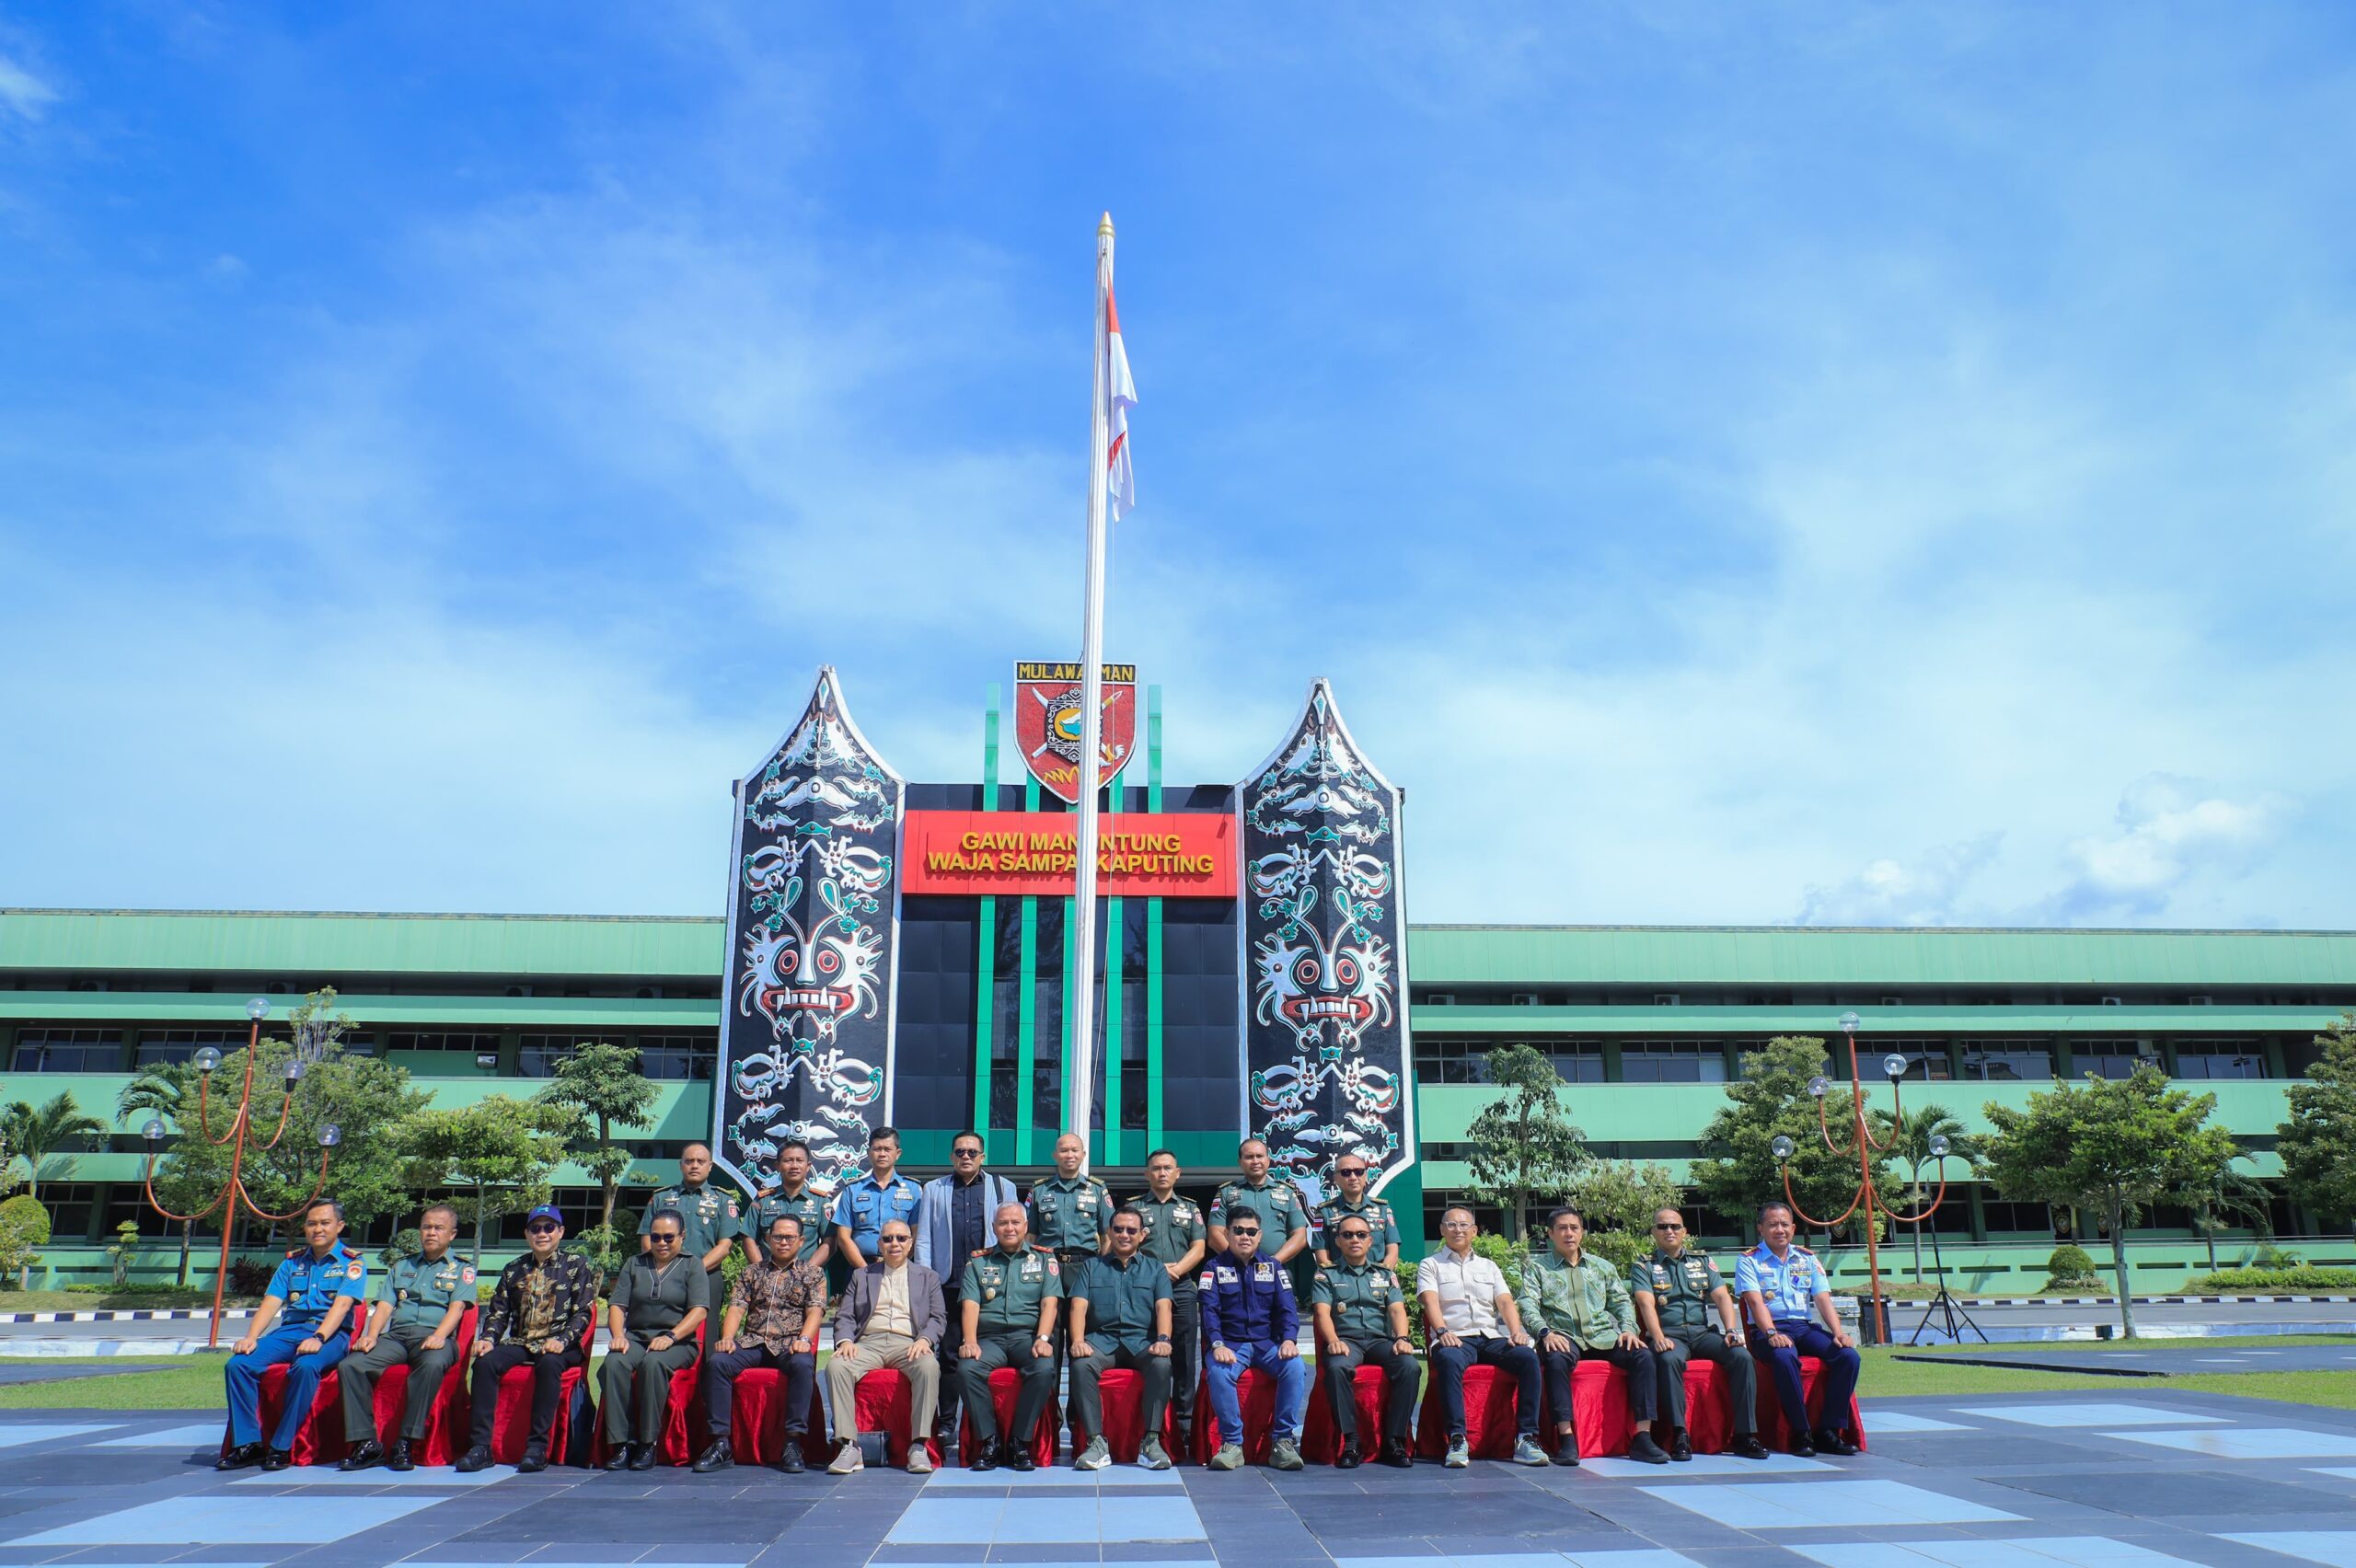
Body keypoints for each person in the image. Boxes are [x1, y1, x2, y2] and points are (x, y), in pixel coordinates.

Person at [220, 1196, 367, 1472]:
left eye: (325, 1223)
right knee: (238, 1364)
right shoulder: (292, 1262)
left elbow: (343, 1304)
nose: (318, 1229)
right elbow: (272, 1301)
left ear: (340, 1226)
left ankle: (281, 1446)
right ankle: (248, 1444)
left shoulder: (352, 1263)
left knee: (306, 1366)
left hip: (331, 1335)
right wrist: (251, 1336)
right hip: (290, 1331)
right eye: (312, 1224)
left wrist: (320, 1338)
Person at [1518, 1206, 1669, 1467]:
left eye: (1574, 1228)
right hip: (1563, 1337)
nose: (1569, 1234)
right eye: (1562, 1229)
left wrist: (1628, 1330)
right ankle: (1566, 1437)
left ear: (1582, 1233)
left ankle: (1643, 1437)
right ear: (1551, 1233)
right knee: (1554, 1360)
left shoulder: (1602, 1267)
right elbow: (1527, 1303)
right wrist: (1545, 1332)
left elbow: (1622, 1301)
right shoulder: (1537, 1269)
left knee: (1643, 1355)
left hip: (1603, 1336)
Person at [456, 1205, 598, 1473]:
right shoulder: (513, 1269)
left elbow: (583, 1312)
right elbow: (498, 1313)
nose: (542, 1234)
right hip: (521, 1342)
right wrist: (488, 1338)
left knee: (549, 1363)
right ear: (527, 1234)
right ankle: (480, 1447)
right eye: (536, 1228)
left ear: (561, 1232)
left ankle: (537, 1448)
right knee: (485, 1364)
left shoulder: (576, 1265)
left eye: (549, 1228)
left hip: (560, 1344)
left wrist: (563, 1340)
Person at [336, 1203, 472, 1471]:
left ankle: (405, 1442)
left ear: (452, 1234)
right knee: (351, 1365)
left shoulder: (461, 1269)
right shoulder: (402, 1266)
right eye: (426, 1227)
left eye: (439, 1228)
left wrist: (440, 1336)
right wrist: (371, 1335)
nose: (431, 1232)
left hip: (435, 1337)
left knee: (432, 1364)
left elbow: (457, 1308)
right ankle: (367, 1443)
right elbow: (385, 1305)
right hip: (397, 1337)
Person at [1631, 1206, 1769, 1462]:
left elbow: (1721, 1296)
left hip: (1702, 1332)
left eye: (1674, 1226)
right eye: (1662, 1227)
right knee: (1669, 1360)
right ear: (1653, 1232)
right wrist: (1658, 1336)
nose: (1669, 1231)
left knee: (1742, 1357)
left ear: (1684, 1231)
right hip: (1669, 1334)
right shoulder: (1644, 1265)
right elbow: (1645, 1304)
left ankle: (1745, 1434)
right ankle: (1679, 1435)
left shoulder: (1702, 1261)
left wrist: (1730, 1330)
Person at [697, 1214, 827, 1474]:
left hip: (790, 1344)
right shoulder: (752, 1272)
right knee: (718, 1362)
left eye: (790, 1237)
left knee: (803, 1364)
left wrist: (804, 1339)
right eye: (777, 1237)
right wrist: (727, 1339)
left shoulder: (812, 1274)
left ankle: (793, 1442)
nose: (783, 1242)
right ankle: (720, 1442)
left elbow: (815, 1311)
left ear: (801, 1241)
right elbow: (736, 1308)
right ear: (767, 1239)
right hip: (753, 1342)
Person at [1417, 1206, 1546, 1468]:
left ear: (1474, 1231)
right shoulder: (1431, 1265)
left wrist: (1517, 1332)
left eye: (1464, 1225)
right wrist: (1442, 1331)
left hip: (1490, 1337)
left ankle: (1526, 1437)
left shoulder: (1489, 1266)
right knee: (1449, 1359)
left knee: (1528, 1357)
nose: (1458, 1230)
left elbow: (1505, 1302)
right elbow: (1430, 1302)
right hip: (1454, 1337)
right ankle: (1457, 1438)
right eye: (1451, 1225)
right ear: (1442, 1230)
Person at [1736, 1200, 1862, 1458]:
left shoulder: (1806, 1258)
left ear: (1793, 1228)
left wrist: (1838, 1332)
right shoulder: (1749, 1260)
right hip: (1768, 1329)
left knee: (1848, 1357)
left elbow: (1823, 1298)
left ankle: (1828, 1431)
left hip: (1802, 1327)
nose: (1779, 1230)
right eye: (1772, 1225)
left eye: (1784, 1224)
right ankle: (1801, 1431)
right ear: (1761, 1229)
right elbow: (1754, 1302)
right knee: (1784, 1356)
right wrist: (1771, 1334)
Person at [916, 1130, 1018, 1441]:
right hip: (947, 1284)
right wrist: (926, 1280)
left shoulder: (1003, 1187)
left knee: (982, 1354)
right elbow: (924, 1238)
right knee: (948, 1355)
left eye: (972, 1152)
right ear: (951, 1156)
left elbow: (1013, 1234)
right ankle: (947, 1422)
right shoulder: (934, 1189)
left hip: (990, 1287)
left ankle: (981, 1425)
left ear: (982, 1157)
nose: (966, 1157)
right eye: (960, 1151)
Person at [826, 1219, 945, 1475]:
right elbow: (844, 1316)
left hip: (908, 1343)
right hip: (868, 1343)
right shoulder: (862, 1275)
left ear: (910, 1244)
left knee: (928, 1366)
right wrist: (845, 1340)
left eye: (901, 1238)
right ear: (879, 1244)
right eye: (888, 1239)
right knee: (836, 1366)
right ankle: (849, 1446)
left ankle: (918, 1445)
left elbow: (938, 1317)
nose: (895, 1244)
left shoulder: (928, 1277)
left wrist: (925, 1340)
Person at [954, 1201, 1062, 1471]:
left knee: (1043, 1368)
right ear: (994, 1228)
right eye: (1003, 1223)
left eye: (1015, 1222)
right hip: (989, 1339)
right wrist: (969, 1341)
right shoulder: (979, 1262)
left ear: (1026, 1226)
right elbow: (970, 1304)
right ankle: (990, 1442)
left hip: (1026, 1337)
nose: (1009, 1228)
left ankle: (1019, 1442)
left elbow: (1050, 1303)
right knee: (967, 1369)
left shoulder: (1044, 1258)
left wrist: (1043, 1339)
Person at [601, 1207, 711, 1470]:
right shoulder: (635, 1263)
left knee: (653, 1365)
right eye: (656, 1237)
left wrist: (671, 1337)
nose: (661, 1243)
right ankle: (622, 1443)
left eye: (668, 1237)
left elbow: (699, 1311)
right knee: (613, 1364)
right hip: (637, 1339)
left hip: (679, 1342)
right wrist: (618, 1336)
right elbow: (617, 1305)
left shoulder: (692, 1265)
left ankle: (647, 1443)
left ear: (682, 1236)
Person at [1068, 1205, 1175, 1470]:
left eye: (1131, 1230)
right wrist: (1078, 1341)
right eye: (1118, 1229)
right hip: (1101, 1342)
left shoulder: (1155, 1269)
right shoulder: (1092, 1267)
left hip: (1141, 1343)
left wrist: (1163, 1339)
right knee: (1081, 1366)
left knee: (1161, 1365)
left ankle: (1151, 1442)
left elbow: (1164, 1307)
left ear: (1142, 1235)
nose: (1124, 1235)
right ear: (1109, 1232)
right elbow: (1078, 1306)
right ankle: (1095, 1443)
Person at [1198, 1213, 1308, 1470]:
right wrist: (1217, 1344)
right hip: (1231, 1344)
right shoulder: (1213, 1268)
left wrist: (1289, 1340)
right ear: (1226, 1234)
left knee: (1295, 1368)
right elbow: (1209, 1313)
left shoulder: (1273, 1267)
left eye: (1251, 1231)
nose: (1244, 1236)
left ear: (1260, 1236)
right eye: (1238, 1230)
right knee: (1218, 1372)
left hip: (1266, 1344)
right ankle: (1233, 1444)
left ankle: (1282, 1442)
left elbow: (1288, 1311)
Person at [1309, 1212, 1417, 1470]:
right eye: (1347, 1235)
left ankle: (1394, 1441)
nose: (1354, 1240)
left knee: (1410, 1366)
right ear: (1337, 1241)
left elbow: (1396, 1309)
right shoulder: (1326, 1275)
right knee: (1336, 1368)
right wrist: (1333, 1340)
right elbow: (1322, 1312)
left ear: (1370, 1241)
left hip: (1380, 1341)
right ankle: (1351, 1441)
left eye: (1361, 1235)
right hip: (1347, 1341)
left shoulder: (1385, 1274)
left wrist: (1402, 1338)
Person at [1126, 1148, 1207, 1451]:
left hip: (1182, 1285)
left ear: (1177, 1173)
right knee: (1148, 1353)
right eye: (1156, 1168)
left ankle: (1184, 1424)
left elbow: (1199, 1247)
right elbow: (1126, 1244)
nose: (1161, 1173)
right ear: (1146, 1174)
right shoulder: (1133, 1209)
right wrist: (1157, 1273)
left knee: (1184, 1358)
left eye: (1167, 1168)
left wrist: (1174, 1272)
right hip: (1143, 1288)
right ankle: (1151, 1424)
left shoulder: (1190, 1208)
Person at [643, 1142, 743, 1281]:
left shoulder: (723, 1200)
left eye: (701, 1161)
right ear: (681, 1165)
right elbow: (646, 1238)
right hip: (662, 1276)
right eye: (689, 1161)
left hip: (706, 1276)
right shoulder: (661, 1198)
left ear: (710, 1166)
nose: (694, 1165)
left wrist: (695, 1272)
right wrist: (661, 1269)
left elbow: (725, 1246)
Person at [831, 1125, 925, 1270]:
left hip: (899, 1267)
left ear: (898, 1153)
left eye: (887, 1149)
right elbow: (843, 1237)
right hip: (861, 1266)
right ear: (869, 1153)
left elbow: (917, 1234)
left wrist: (898, 1264)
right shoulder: (853, 1190)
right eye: (877, 1149)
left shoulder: (913, 1190)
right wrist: (864, 1271)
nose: (882, 1154)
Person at [1208, 1138, 1311, 1266]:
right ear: (1240, 1162)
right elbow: (1214, 1234)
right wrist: (1241, 1261)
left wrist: (1274, 1262)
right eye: (1249, 1157)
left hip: (1278, 1268)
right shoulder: (1226, 1192)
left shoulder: (1287, 1192)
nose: (1255, 1161)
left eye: (1260, 1156)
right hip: (1235, 1269)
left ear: (1268, 1160)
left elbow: (1300, 1236)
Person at [1028, 1131, 1114, 1275]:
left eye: (1074, 1150)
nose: (1069, 1155)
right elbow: (1030, 1236)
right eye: (1064, 1151)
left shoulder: (1097, 1189)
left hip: (1087, 1265)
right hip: (1047, 1265)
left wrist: (1102, 1268)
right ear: (1055, 1155)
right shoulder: (1039, 1190)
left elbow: (1108, 1236)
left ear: (1083, 1155)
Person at [745, 1140, 832, 1270]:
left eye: (800, 1160)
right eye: (788, 1160)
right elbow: (748, 1238)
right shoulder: (762, 1200)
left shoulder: (821, 1201)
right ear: (777, 1166)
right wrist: (762, 1272)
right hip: (768, 1277)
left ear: (808, 1166)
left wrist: (806, 1272)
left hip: (807, 1278)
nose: (794, 1166)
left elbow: (829, 1243)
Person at [1313, 1157, 1401, 1270]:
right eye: (1346, 1173)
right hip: (1340, 1281)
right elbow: (1321, 1255)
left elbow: (1392, 1250)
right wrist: (1336, 1279)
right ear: (1336, 1178)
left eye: (1359, 1172)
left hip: (1377, 1281)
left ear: (1365, 1176)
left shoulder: (1383, 1209)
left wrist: (1382, 1277)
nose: (1353, 1177)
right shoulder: (1325, 1212)